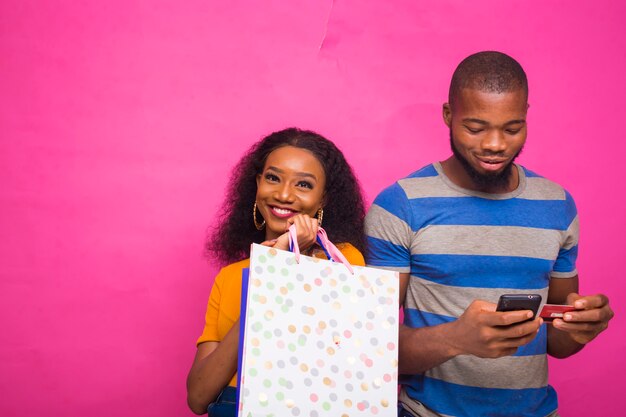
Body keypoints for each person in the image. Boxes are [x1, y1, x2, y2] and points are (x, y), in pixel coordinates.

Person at [365, 51, 614, 417]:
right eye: (476, 128)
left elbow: (556, 340)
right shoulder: (400, 206)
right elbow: (371, 348)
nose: (495, 144)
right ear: (449, 115)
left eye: (512, 128)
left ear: (527, 115)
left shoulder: (558, 206)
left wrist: (581, 328)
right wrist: (456, 338)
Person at [186, 127, 367, 415]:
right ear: (257, 184)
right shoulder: (231, 276)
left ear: (323, 200)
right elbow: (198, 397)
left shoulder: (342, 260)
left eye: (303, 185)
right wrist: (269, 267)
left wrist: (284, 262)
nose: (283, 194)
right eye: (273, 178)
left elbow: (321, 359)